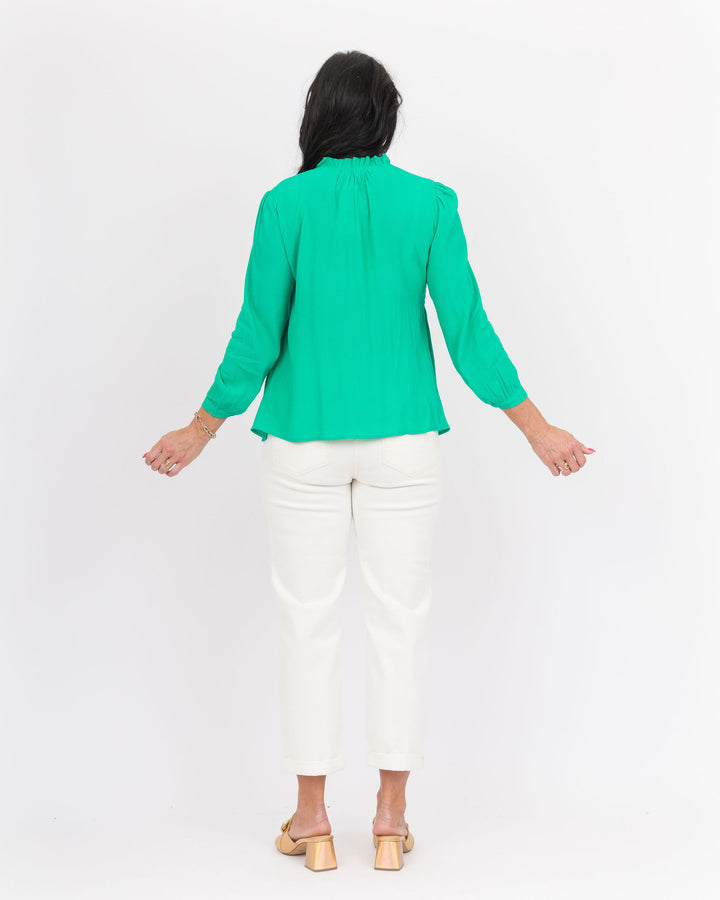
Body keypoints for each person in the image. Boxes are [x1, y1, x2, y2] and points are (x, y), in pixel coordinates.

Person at [142, 50, 595, 872]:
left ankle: (313, 819)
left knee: (306, 623)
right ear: (386, 116)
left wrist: (200, 429)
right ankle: (390, 817)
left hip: (302, 445)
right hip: (404, 446)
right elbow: (468, 331)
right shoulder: (430, 203)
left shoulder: (284, 205)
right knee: (400, 622)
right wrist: (536, 427)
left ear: (318, 113)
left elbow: (257, 334)